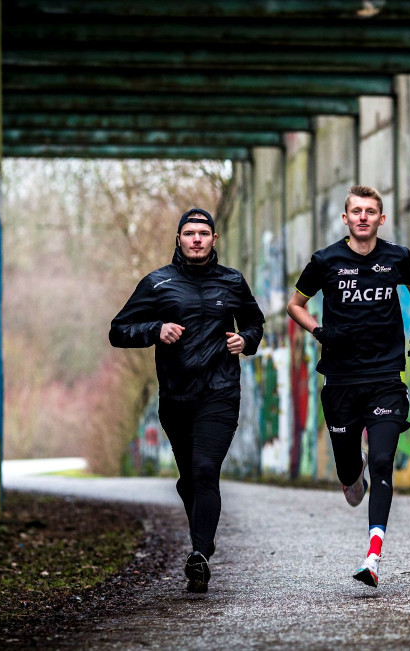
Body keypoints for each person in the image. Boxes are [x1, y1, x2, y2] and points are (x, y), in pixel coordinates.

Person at [109, 208, 264, 593]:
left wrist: (245, 340)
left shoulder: (232, 281)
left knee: (205, 470)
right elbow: (118, 330)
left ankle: (200, 554)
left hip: (220, 392)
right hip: (176, 396)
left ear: (214, 239)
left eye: (203, 233)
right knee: (190, 478)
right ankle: (200, 544)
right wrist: (155, 329)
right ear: (179, 239)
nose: (197, 239)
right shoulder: (157, 283)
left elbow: (254, 322)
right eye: (190, 233)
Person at [287, 185, 410, 588]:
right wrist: (319, 331)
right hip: (341, 382)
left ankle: (373, 557)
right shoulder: (325, 261)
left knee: (383, 461)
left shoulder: (397, 257)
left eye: (370, 211)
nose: (363, 217)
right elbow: (294, 305)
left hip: (386, 379)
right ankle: (353, 473)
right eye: (356, 211)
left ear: (381, 219)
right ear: (345, 218)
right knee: (350, 475)